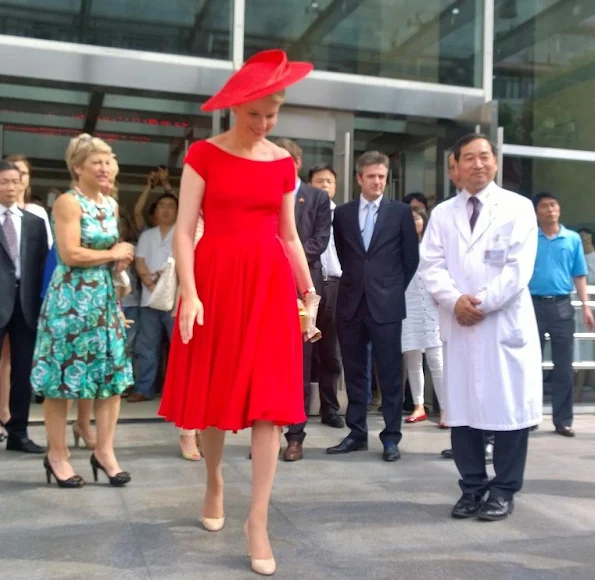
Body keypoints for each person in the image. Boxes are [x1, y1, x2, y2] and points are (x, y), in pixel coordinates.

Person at [158, 49, 316, 577]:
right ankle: (214, 480)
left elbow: (290, 236)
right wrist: (191, 291)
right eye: (256, 114)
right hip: (217, 283)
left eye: (273, 114)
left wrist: (309, 294)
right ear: (236, 107)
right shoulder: (203, 155)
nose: (265, 123)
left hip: (268, 287)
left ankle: (257, 520)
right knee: (214, 398)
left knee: (270, 402)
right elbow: (183, 230)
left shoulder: (284, 163)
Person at [419, 133, 542, 521]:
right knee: (463, 410)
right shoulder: (442, 214)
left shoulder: (518, 208)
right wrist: (455, 300)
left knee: (507, 411)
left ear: (496, 162)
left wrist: (481, 303)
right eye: (469, 158)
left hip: (501, 323)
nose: (478, 164)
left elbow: (518, 269)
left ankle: (503, 490)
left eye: (484, 157)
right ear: (455, 165)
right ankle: (471, 487)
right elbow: (431, 266)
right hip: (460, 323)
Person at [31, 133, 135, 488]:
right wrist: (115, 253)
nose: (106, 167)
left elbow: (107, 254)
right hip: (70, 303)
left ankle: (104, 451)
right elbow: (70, 253)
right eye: (98, 162)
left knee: (112, 380)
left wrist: (116, 264)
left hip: (103, 300)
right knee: (60, 382)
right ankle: (57, 455)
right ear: (78, 168)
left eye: (110, 160)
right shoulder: (67, 202)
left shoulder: (110, 204)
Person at [326, 150, 419, 462]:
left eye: (381, 176)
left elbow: (411, 260)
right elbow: (343, 253)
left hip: (387, 305)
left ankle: (391, 437)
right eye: (371, 177)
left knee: (390, 374)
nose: (377, 182)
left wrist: (391, 290)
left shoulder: (401, 213)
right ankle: (356, 433)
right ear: (359, 179)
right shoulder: (343, 214)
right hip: (351, 303)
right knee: (354, 371)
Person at [276, 140, 331, 462]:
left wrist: (281, 258)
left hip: (301, 286)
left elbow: (318, 241)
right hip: (267, 285)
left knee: (300, 363)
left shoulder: (317, 197)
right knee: (267, 362)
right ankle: (266, 431)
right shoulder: (263, 192)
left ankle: (295, 436)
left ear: (296, 162)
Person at [530, 193, 594, 437]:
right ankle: (531, 416)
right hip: (532, 305)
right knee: (530, 365)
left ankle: (563, 420)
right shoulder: (529, 238)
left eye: (553, 205)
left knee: (564, 367)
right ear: (536, 212)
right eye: (544, 206)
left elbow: (579, 274)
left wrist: (585, 306)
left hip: (562, 306)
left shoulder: (572, 239)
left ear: (560, 209)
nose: (550, 210)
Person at [0, 160, 48, 453]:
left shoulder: (35, 223)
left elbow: (41, 265)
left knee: (22, 372)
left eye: (14, 182)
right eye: (4, 181)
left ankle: (18, 433)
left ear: (23, 185)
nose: (9, 187)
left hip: (26, 305)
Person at [128, 193, 178, 403]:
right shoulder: (147, 235)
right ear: (155, 211)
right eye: (162, 206)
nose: (166, 210)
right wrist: (149, 282)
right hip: (149, 299)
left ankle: (178, 392)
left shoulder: (182, 232)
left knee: (178, 347)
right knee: (146, 346)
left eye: (171, 206)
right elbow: (139, 261)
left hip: (175, 299)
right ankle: (144, 388)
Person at [308, 163, 344, 429]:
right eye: (319, 181)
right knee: (303, 351)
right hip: (307, 285)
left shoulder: (343, 216)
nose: (325, 186)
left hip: (336, 285)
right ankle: (297, 409)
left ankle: (330, 408)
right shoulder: (303, 213)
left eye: (329, 181)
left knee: (330, 351)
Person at [401, 207, 444, 425]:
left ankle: (446, 408)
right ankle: (418, 406)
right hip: (408, 305)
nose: (413, 221)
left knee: (437, 359)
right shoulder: (398, 247)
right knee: (413, 358)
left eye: (417, 217)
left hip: (431, 304)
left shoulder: (433, 246)